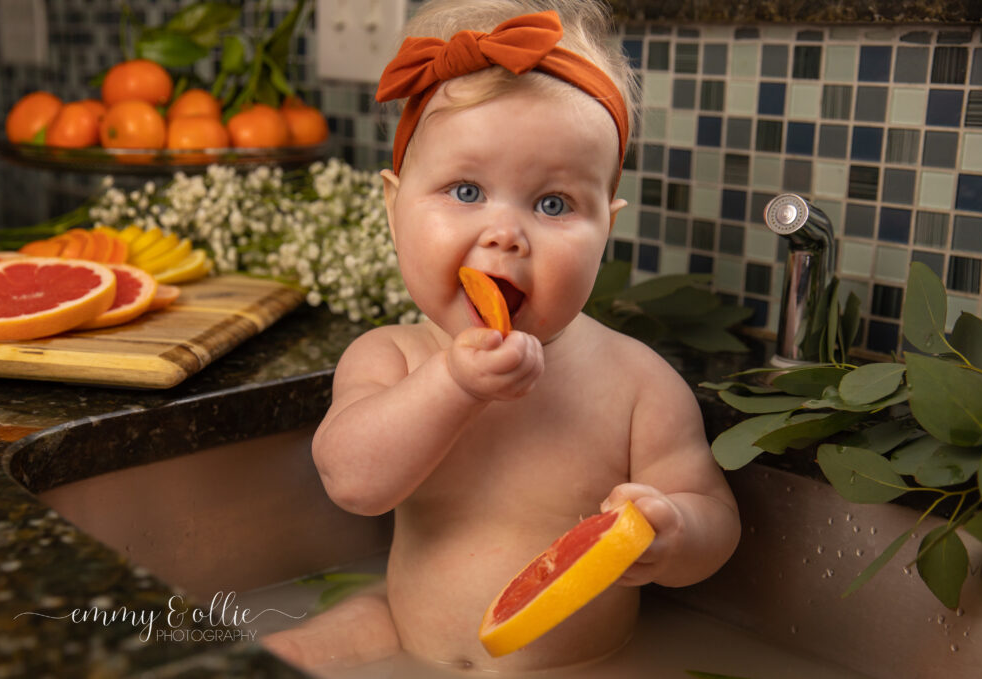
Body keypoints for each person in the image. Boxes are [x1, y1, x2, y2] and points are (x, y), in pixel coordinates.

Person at [262, 0, 740, 673]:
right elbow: (353, 482)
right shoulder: (393, 356)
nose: (504, 233)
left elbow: (714, 518)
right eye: (465, 190)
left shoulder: (637, 383)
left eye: (553, 203)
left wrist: (675, 530)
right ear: (394, 207)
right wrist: (452, 383)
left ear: (608, 226)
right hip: (402, 633)